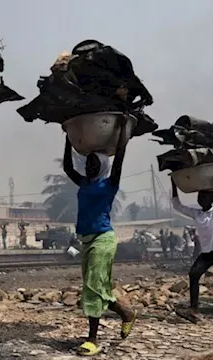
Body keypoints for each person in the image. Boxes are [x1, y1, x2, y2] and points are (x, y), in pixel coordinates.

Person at [62, 124, 137, 356]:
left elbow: (120, 157)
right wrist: (68, 134)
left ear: (103, 165)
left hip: (103, 239)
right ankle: (126, 313)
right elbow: (67, 166)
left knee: (92, 287)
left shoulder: (110, 184)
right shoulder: (84, 183)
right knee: (97, 287)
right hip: (87, 240)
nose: (89, 165)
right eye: (88, 162)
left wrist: (124, 129)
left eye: (94, 163)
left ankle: (93, 339)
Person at [171, 161, 213, 324]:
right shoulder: (197, 214)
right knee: (193, 274)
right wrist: (173, 183)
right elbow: (177, 205)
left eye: (205, 196)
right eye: (200, 197)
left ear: (211, 198)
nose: (201, 199)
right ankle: (194, 309)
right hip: (207, 253)